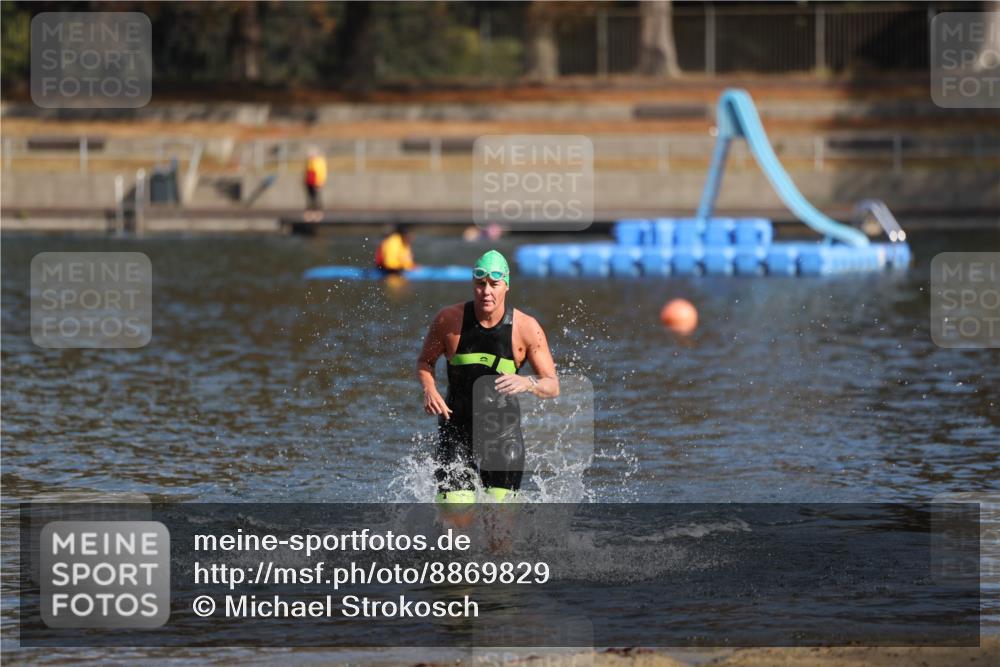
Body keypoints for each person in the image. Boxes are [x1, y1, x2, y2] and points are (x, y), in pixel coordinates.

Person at [416, 250, 559, 506]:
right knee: (456, 514)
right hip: (456, 431)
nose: (487, 292)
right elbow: (425, 362)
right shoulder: (449, 320)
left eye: (494, 284)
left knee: (499, 532)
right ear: (473, 284)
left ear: (506, 285)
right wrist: (429, 389)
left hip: (503, 437)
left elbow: (552, 385)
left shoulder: (526, 328)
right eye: (480, 284)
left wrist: (528, 383)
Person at [304, 147, 327, 222]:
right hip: (309, 182)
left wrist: (320, 182)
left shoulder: (320, 161)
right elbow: (307, 172)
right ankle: (310, 213)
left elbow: (322, 173)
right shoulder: (309, 162)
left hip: (316, 182)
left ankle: (319, 213)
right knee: (310, 198)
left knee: (316, 198)